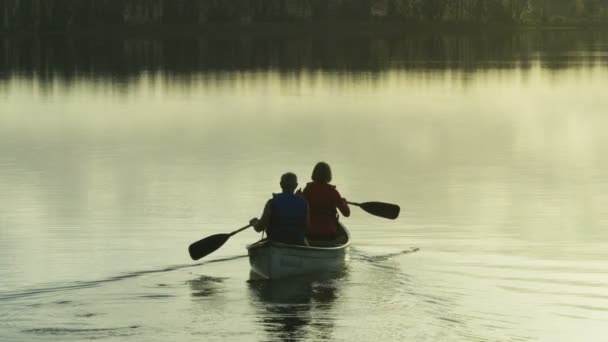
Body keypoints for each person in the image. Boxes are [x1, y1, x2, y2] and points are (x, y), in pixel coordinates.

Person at [249, 172, 309, 245]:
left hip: (275, 240)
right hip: (297, 241)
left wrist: (254, 223)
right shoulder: (304, 203)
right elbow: (307, 228)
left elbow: (259, 228)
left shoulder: (271, 203)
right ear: (296, 185)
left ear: (281, 184)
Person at [302, 162, 350, 240]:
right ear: (329, 175)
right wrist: (344, 203)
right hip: (329, 232)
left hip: (310, 232)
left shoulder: (308, 190)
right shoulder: (333, 192)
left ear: (314, 174)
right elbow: (346, 213)